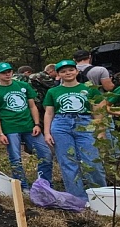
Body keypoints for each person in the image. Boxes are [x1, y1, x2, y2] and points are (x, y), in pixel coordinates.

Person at [43, 60, 107, 201]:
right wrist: (47, 133)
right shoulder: (53, 91)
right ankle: (77, 199)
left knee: (92, 161)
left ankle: (101, 197)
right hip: (61, 125)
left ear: (77, 71)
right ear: (58, 74)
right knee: (68, 162)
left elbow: (97, 111)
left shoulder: (89, 89)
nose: (68, 73)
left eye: (71, 70)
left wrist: (101, 131)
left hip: (85, 123)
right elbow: (49, 113)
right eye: (63, 71)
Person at [0, 62, 54, 192]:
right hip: (10, 128)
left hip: (29, 126)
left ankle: (45, 184)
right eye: (4, 72)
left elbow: (33, 106)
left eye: (9, 71)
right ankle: (23, 187)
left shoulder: (23, 86)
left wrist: (37, 124)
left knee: (45, 154)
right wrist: (0, 133)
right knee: (15, 158)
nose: (7, 74)